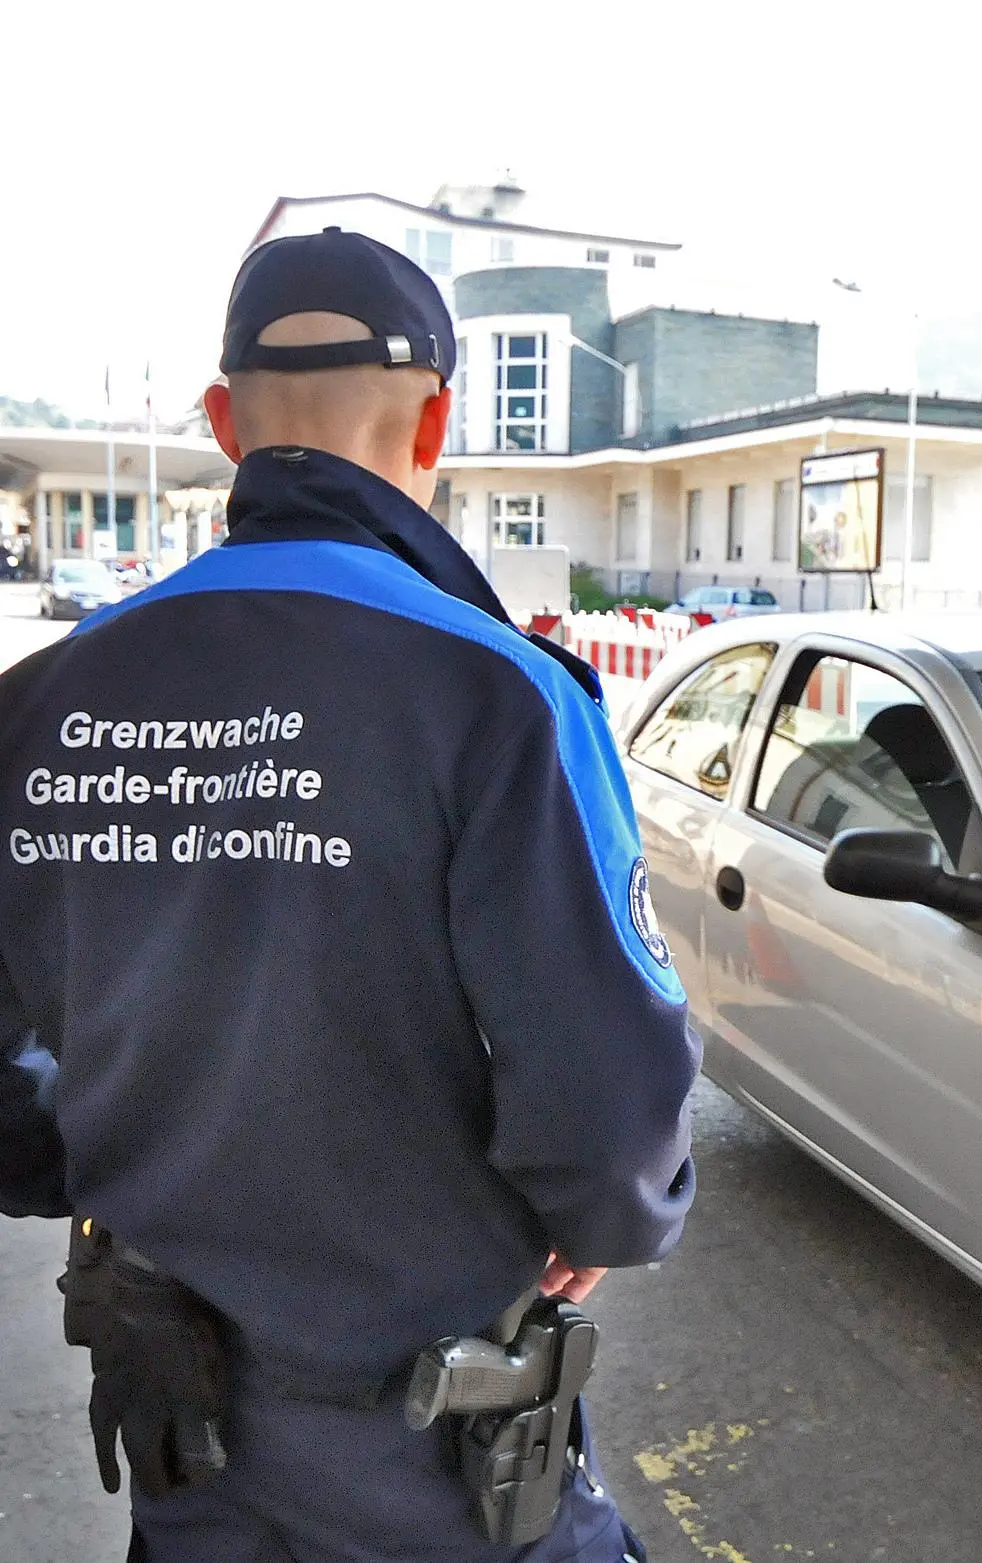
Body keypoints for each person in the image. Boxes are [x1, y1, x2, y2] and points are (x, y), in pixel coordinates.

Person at [0, 228, 700, 1562]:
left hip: (176, 1417)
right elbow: (610, 1097)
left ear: (221, 422)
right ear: (435, 417)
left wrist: (80, 1151)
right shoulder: (502, 696)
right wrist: (604, 1213)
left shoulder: (39, 704)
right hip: (433, 1437)